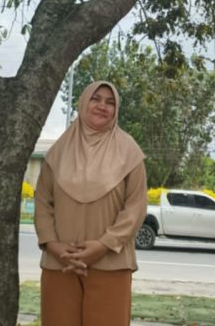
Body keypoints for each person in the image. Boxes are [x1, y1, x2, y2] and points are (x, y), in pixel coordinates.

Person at [34, 80, 147, 326]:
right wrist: (54, 246)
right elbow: (42, 202)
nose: (102, 106)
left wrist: (104, 245)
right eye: (95, 99)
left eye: (110, 102)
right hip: (60, 264)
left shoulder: (129, 151)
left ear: (116, 110)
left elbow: (136, 207)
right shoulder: (59, 151)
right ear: (83, 102)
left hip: (111, 263)